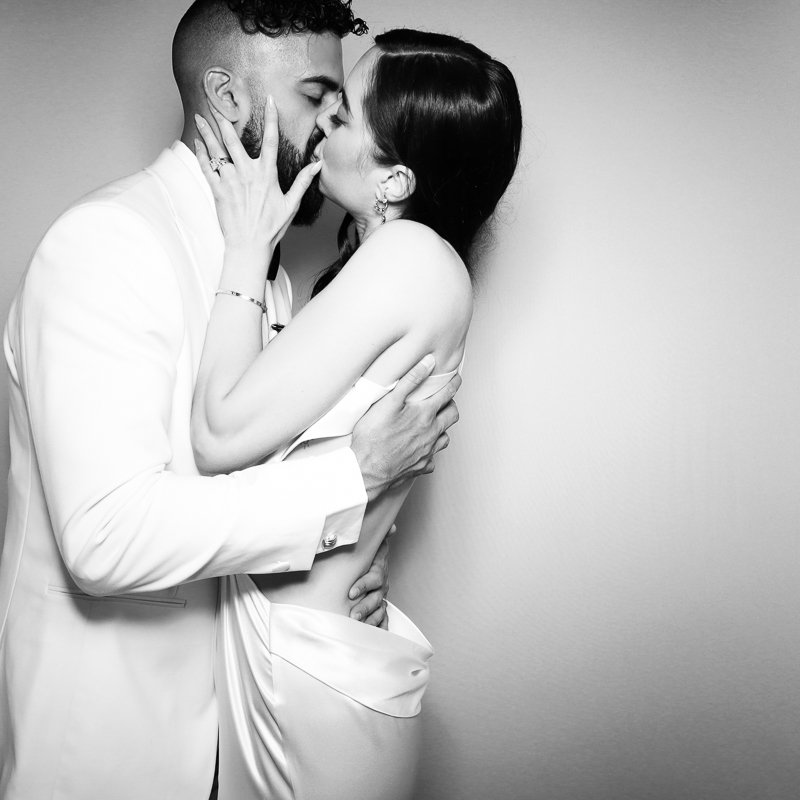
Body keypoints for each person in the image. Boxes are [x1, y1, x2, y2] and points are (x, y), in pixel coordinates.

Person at [0, 3, 462, 799]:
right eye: (317, 95)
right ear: (229, 97)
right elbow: (106, 537)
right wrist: (344, 486)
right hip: (111, 754)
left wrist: (345, 566)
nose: (331, 123)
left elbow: (243, 488)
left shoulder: (264, 275)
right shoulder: (107, 243)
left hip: (247, 733)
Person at [190, 26, 522, 800]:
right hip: (305, 642)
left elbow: (218, 436)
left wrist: (245, 246)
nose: (322, 121)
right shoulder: (410, 269)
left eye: (343, 119)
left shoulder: (407, 260)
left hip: (301, 664)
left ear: (394, 180)